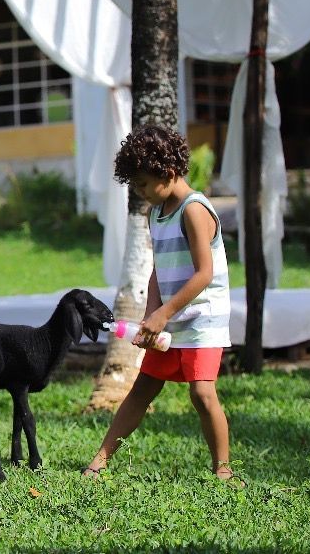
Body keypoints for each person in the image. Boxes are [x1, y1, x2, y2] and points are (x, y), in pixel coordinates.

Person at [83, 125, 239, 484]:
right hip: (170, 320)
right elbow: (158, 271)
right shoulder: (155, 214)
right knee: (143, 389)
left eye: (141, 184)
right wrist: (151, 317)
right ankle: (100, 460)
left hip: (203, 319)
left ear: (168, 174)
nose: (139, 192)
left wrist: (163, 314)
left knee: (201, 392)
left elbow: (203, 274)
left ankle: (223, 470)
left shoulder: (194, 210)